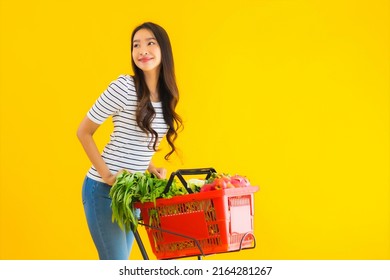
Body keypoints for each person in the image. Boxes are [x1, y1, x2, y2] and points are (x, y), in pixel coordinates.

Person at [77, 22, 183, 260]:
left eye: (150, 43)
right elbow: (83, 132)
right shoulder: (124, 87)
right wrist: (106, 176)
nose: (142, 50)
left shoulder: (166, 96)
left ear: (164, 49)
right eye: (136, 45)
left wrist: (151, 166)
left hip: (131, 192)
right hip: (103, 191)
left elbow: (135, 141)